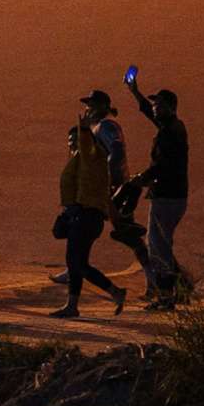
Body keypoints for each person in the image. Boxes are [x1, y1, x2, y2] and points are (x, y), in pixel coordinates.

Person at [54, 113, 128, 319]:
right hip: (83, 215)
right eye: (70, 141)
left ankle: (107, 293)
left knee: (75, 262)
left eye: (75, 140)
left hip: (86, 216)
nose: (72, 144)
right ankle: (77, 303)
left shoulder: (91, 157)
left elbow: (86, 147)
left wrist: (84, 129)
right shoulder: (87, 163)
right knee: (78, 262)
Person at [126, 73, 189, 304]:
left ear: (171, 107)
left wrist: (141, 178)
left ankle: (165, 297)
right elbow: (149, 113)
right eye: (154, 104)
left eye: (159, 105)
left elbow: (161, 166)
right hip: (174, 196)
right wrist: (135, 92)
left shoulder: (169, 133)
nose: (154, 108)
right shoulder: (174, 127)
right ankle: (181, 288)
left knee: (158, 247)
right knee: (163, 244)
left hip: (166, 197)